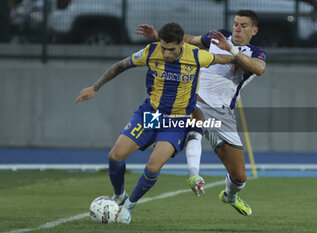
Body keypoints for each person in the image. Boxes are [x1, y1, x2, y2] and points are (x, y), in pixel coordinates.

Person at [75, 22, 237, 224]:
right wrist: (95, 87)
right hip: (151, 113)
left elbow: (228, 59)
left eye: (171, 49)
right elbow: (120, 66)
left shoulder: (197, 55)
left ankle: (130, 205)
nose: (166, 53)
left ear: (181, 44)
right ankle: (119, 196)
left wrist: (239, 58)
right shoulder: (151, 52)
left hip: (176, 120)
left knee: (153, 167)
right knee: (115, 157)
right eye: (163, 48)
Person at [136, 10, 267, 216]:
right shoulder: (217, 37)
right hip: (192, 101)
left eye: (243, 25)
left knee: (239, 176)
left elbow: (259, 69)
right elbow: (188, 40)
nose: (237, 28)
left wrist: (231, 50)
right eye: (235, 24)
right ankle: (190, 175)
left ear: (254, 30)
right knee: (161, 126)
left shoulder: (254, 52)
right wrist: (158, 38)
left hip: (222, 114)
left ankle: (230, 196)